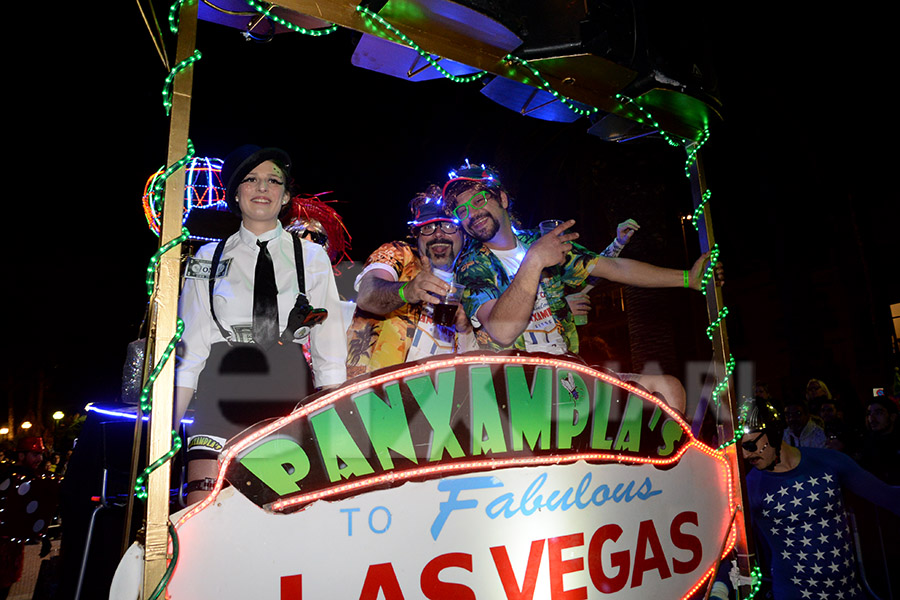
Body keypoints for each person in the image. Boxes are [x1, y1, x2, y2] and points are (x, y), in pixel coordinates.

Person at [443, 163, 715, 412]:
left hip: (570, 371)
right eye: (462, 211)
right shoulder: (471, 265)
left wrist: (686, 278)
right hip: (519, 388)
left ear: (501, 198)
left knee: (667, 388)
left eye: (479, 200)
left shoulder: (540, 242)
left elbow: (614, 268)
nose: (472, 214)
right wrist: (534, 261)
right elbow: (502, 331)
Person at [176, 145, 347, 504]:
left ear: (285, 196)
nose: (262, 188)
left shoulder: (311, 257)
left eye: (273, 181)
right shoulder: (207, 258)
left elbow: (328, 348)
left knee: (276, 518)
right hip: (220, 392)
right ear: (235, 193)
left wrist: (334, 426)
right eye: (251, 180)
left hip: (287, 390)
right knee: (201, 515)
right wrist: (164, 432)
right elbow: (190, 350)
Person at [717, 398, 900, 600]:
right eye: (739, 448)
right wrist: (719, 592)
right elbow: (728, 550)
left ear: (775, 431)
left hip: (850, 593)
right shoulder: (749, 488)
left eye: (750, 445)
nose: (744, 454)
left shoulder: (827, 461)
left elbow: (888, 496)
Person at [346, 186, 478, 377]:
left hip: (441, 398)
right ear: (416, 236)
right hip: (377, 392)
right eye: (428, 227)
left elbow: (476, 368)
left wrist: (464, 328)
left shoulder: (471, 280)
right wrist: (407, 291)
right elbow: (367, 295)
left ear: (464, 236)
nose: (438, 234)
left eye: (449, 226)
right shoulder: (400, 254)